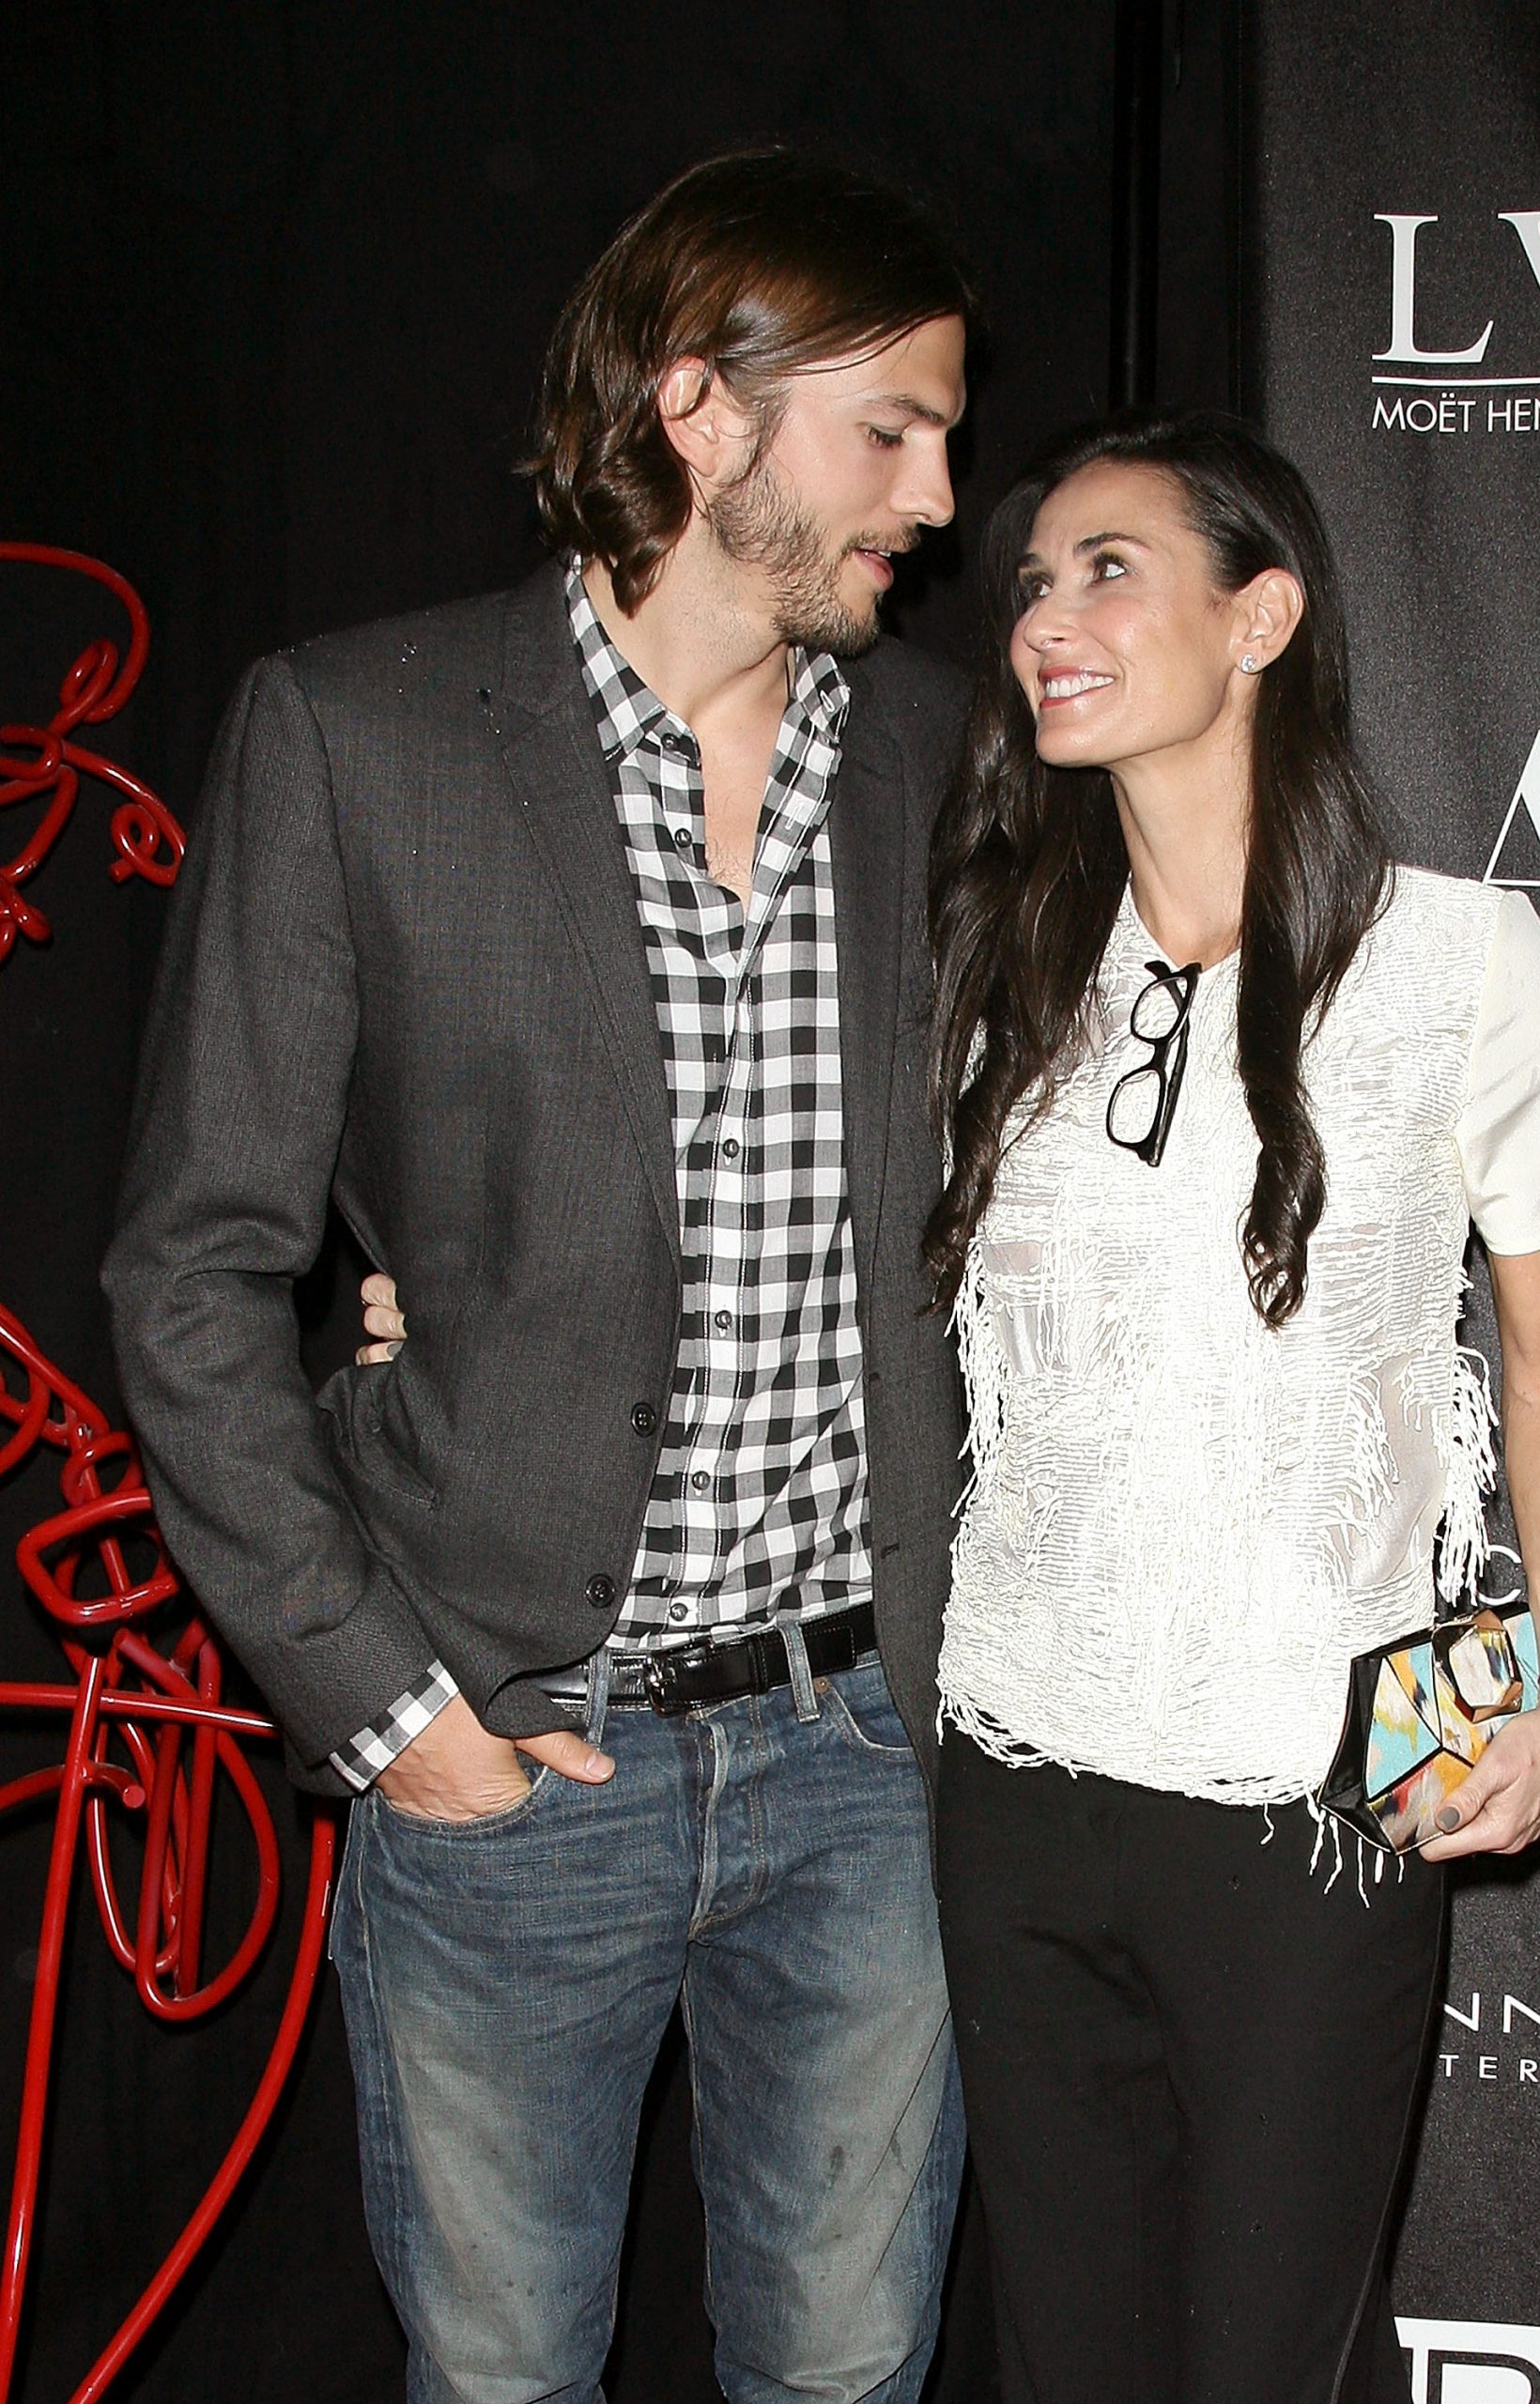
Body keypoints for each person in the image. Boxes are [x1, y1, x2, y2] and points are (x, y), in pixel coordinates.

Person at [103, 150, 974, 2404]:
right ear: (703, 409)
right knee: (497, 2379)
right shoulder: (358, 734)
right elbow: (197, 1268)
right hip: (513, 1737)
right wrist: (391, 1714)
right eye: (889, 429)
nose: (938, 492)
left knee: (850, 2370)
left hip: (867, 1752)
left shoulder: (945, 762)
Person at [921, 411, 1540, 2404]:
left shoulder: (1455, 959)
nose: (1047, 616)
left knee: (1258, 2368)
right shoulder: (997, 967)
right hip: (1014, 1788)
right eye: (1032, 581)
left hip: (1316, 1803)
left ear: (1262, 615)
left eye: (1107, 567)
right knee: (1064, 2359)